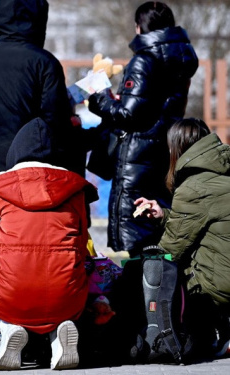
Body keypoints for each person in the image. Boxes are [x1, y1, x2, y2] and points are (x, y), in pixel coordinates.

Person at [0, 117, 98, 370]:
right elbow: (81, 248)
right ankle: (57, 336)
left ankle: (9, 328)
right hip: (66, 298)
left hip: (9, 297)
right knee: (70, 285)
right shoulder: (74, 190)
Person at [87, 1, 199, 256]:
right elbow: (154, 107)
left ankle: (141, 292)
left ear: (140, 28)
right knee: (156, 230)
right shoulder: (181, 61)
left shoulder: (144, 60)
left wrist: (99, 98)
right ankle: (160, 289)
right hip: (165, 150)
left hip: (136, 157)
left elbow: (129, 114)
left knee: (136, 238)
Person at [134, 118, 230, 359]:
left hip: (219, 285)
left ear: (177, 148)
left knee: (155, 270)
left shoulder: (193, 188)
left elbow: (170, 251)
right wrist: (164, 215)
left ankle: (160, 338)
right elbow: (210, 219)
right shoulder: (221, 174)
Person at [0, 0, 81, 191]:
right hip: (36, 168)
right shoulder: (45, 62)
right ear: (38, 19)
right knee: (32, 220)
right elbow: (55, 119)